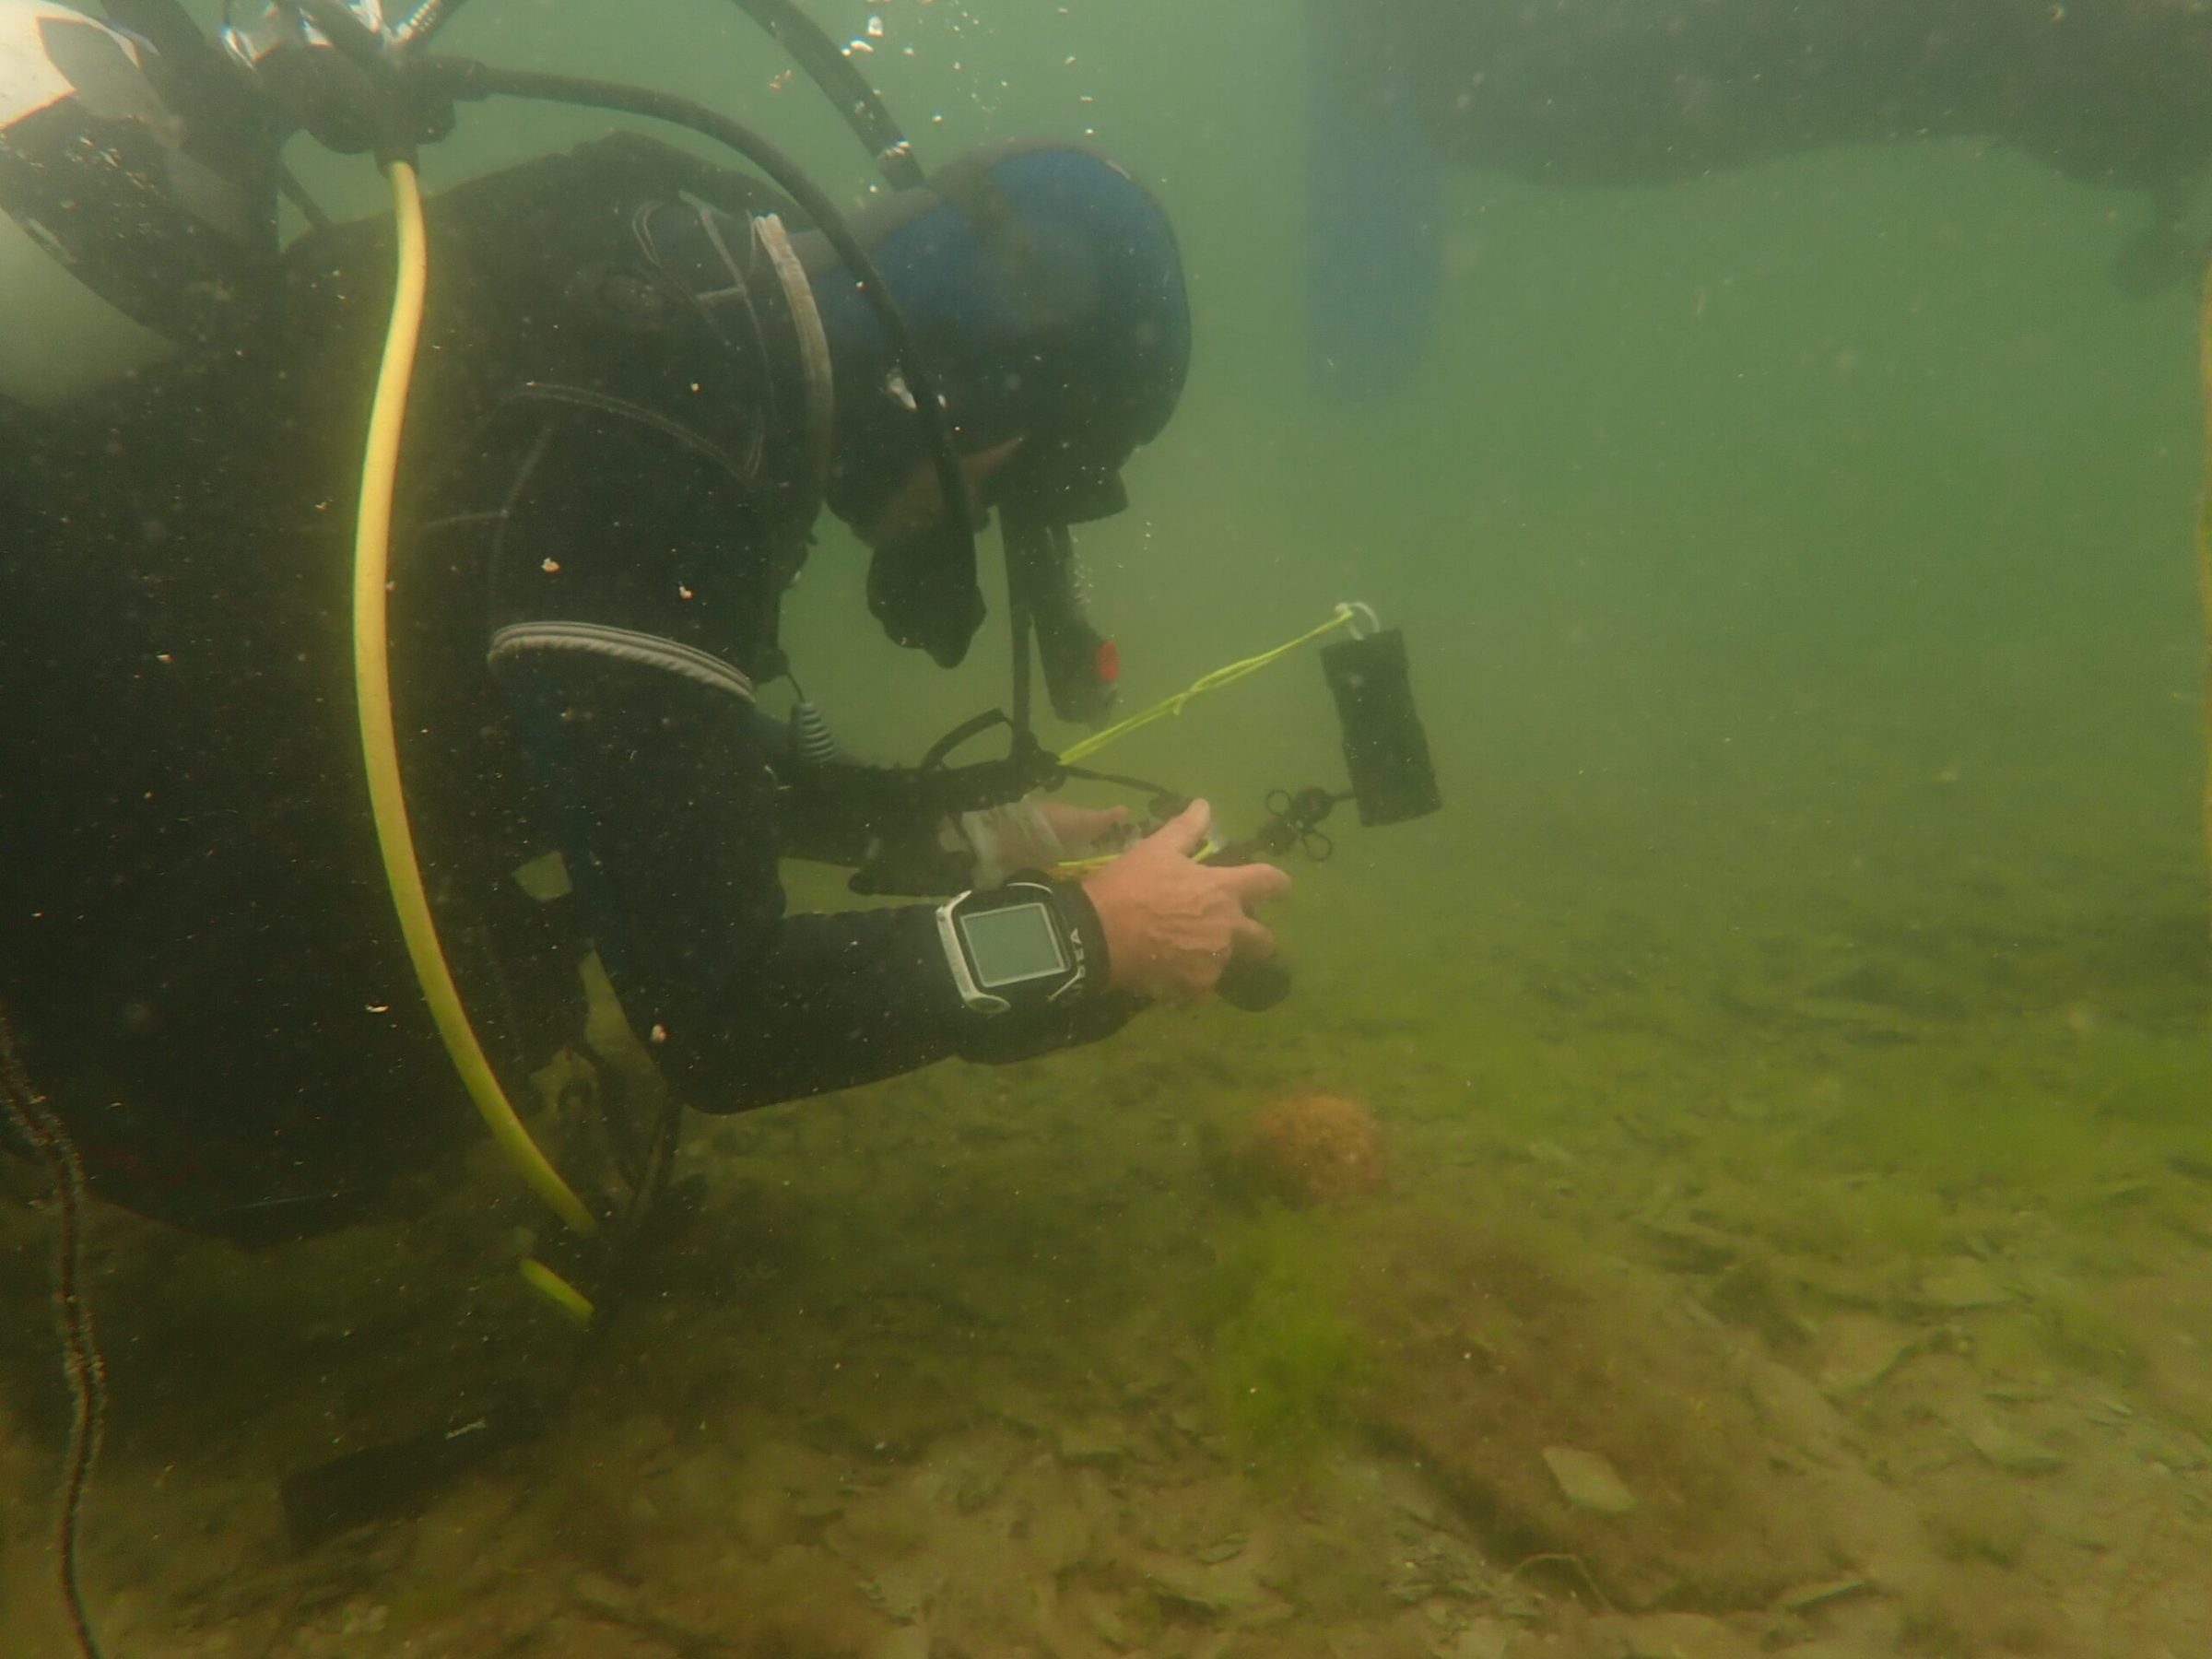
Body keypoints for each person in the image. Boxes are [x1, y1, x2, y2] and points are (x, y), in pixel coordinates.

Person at [0, 3, 1289, 1242]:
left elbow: (621, 740)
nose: (984, 513)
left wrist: (934, 828)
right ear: (976, 403)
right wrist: (1093, 939)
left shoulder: (670, 284)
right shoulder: (666, 443)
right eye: (1020, 477)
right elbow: (723, 1016)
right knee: (461, 1026)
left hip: (101, 696)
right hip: (61, 820)